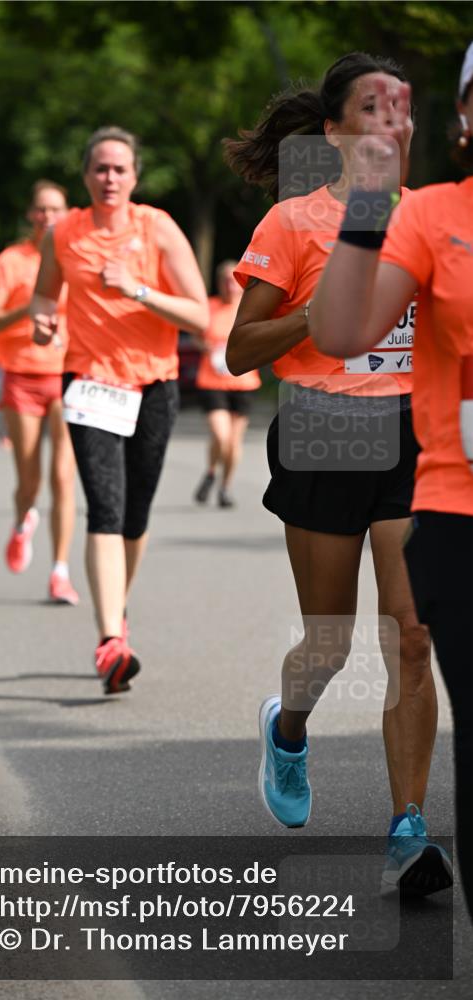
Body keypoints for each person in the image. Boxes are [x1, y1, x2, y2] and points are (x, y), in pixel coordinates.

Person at [224, 52, 451, 895]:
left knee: (411, 636)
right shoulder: (292, 222)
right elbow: (237, 351)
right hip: (322, 430)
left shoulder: (429, 220)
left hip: (410, 435)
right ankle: (287, 728)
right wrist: (308, 320)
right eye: (371, 109)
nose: (391, 124)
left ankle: (407, 831)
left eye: (401, 110)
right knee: (327, 642)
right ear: (332, 131)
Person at [309, 46, 473, 917]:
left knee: (408, 640)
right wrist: (371, 203)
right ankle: (304, 735)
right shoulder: (427, 215)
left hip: (411, 458)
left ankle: (407, 824)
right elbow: (334, 333)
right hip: (425, 484)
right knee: (354, 642)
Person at [30, 126, 208, 693]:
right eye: (100, 168)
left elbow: (200, 315)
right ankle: (110, 640)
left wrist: (136, 289)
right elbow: (43, 295)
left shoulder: (157, 227)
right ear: (86, 175)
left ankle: (118, 611)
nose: (110, 178)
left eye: (120, 169)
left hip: (153, 385)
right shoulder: (63, 232)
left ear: (135, 177)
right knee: (104, 508)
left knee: (135, 516)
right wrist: (42, 321)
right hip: (89, 384)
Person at [0, 180, 79, 605]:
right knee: (29, 480)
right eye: (41, 209)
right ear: (30, 214)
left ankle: (60, 571)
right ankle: (23, 520)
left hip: (69, 374)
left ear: (67, 213)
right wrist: (29, 307)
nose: (47, 216)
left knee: (63, 477)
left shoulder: (77, 257)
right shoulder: (12, 261)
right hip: (21, 376)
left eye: (55, 209)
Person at [193, 260, 261, 508]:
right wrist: (206, 346)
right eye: (225, 281)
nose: (229, 285)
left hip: (243, 382)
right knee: (221, 436)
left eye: (233, 280)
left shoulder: (251, 308)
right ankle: (212, 471)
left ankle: (225, 487)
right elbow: (195, 334)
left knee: (233, 441)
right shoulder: (209, 307)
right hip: (212, 381)